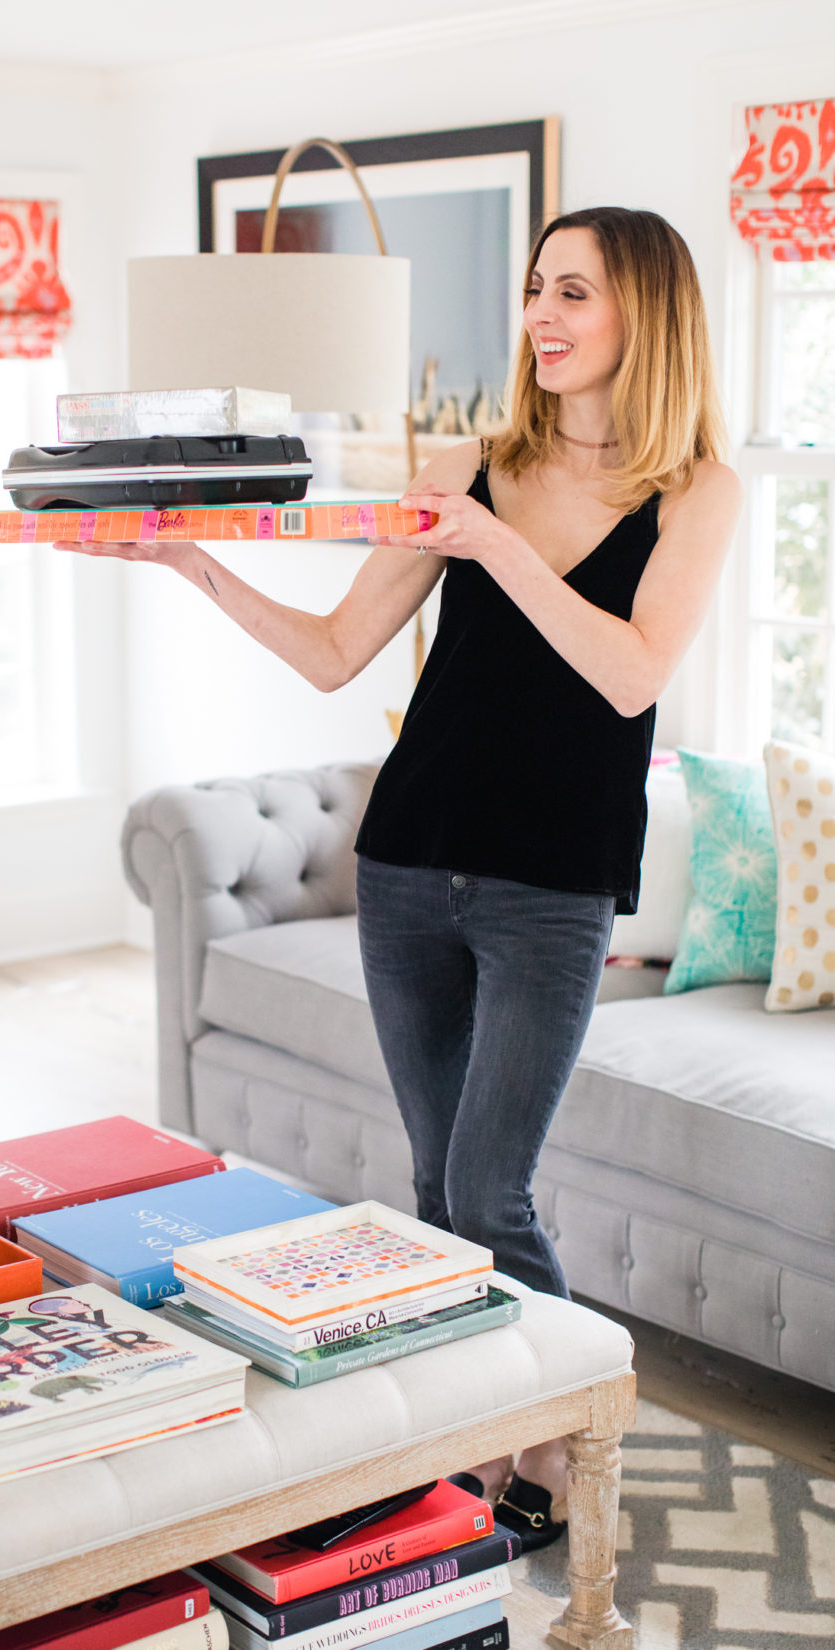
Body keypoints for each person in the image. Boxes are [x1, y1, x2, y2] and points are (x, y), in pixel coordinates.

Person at [55, 206, 742, 1548]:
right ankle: (489, 1449)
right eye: (536, 286)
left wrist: (497, 549)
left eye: (573, 292)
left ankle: (573, 1434)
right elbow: (332, 651)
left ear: (642, 315)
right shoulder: (480, 464)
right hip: (411, 864)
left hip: (551, 888)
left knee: (490, 1191)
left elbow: (633, 673)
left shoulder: (696, 489)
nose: (541, 312)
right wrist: (198, 562)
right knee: (436, 1192)